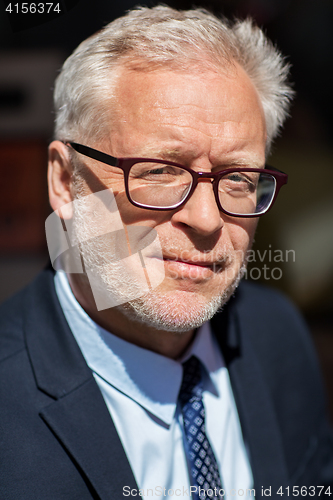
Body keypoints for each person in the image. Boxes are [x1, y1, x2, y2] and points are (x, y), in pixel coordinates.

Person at [0, 5, 332, 500]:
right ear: (66, 182)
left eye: (237, 178)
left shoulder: (275, 334)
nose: (205, 219)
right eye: (159, 171)